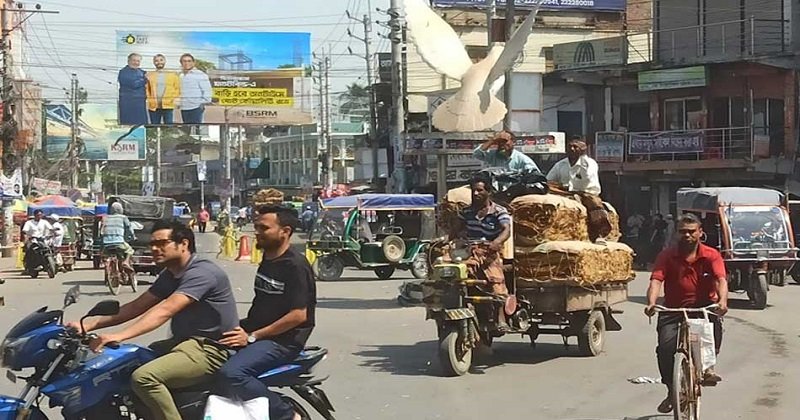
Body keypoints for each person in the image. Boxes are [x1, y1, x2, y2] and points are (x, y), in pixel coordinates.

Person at [74, 221, 238, 420]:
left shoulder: (202, 273)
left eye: (161, 243)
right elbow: (137, 306)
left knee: (144, 378)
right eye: (152, 243)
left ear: (184, 244)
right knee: (123, 362)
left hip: (210, 349)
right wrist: (89, 325)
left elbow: (165, 310)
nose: (153, 248)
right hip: (183, 344)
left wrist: (118, 335)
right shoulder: (170, 274)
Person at [215, 206, 316, 420]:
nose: (257, 232)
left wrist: (252, 336)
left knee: (232, 374)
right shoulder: (269, 259)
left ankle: (287, 414)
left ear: (285, 231)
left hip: (282, 341)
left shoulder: (295, 265)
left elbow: (299, 315)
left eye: (264, 228)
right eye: (256, 227)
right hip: (256, 330)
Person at [644, 213, 728, 414]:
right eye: (683, 232)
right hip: (673, 309)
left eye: (691, 232)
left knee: (713, 330)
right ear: (676, 234)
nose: (687, 236)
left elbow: (720, 279)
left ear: (700, 233)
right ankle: (672, 391)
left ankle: (708, 369)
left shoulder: (711, 255)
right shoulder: (667, 255)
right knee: (664, 349)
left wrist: (722, 301)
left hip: (703, 308)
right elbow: (656, 280)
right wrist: (651, 303)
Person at [458, 173, 512, 332]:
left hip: (489, 252)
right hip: (468, 251)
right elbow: (457, 230)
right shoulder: (466, 211)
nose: (476, 194)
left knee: (496, 281)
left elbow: (506, 230)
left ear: (488, 192)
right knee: (449, 273)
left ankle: (501, 317)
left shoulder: (498, 211)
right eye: (474, 191)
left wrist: (497, 242)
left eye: (480, 190)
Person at [547, 136, 609, 242]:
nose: (572, 149)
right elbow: (549, 179)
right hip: (565, 192)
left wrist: (583, 157)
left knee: (594, 203)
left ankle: (599, 233)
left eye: (575, 147)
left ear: (582, 149)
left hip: (585, 192)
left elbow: (587, 179)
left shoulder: (590, 163)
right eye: (569, 146)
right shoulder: (560, 164)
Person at [473, 130, 540, 172]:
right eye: (499, 141)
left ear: (513, 142)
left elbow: (536, 176)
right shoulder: (493, 155)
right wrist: (493, 140)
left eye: (504, 141)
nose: (502, 144)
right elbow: (477, 154)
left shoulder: (522, 160)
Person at [146, 54, 181, 124]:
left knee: (168, 127)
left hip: (168, 106)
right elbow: (146, 89)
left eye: (161, 60)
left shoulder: (173, 75)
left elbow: (178, 88)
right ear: (154, 63)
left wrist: (174, 99)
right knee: (154, 127)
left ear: (165, 61)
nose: (159, 62)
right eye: (156, 61)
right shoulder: (149, 75)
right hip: (153, 107)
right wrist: (149, 100)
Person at [101, 203, 136, 273]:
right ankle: (126, 262)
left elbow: (101, 231)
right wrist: (133, 237)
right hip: (119, 242)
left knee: (105, 254)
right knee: (130, 250)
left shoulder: (105, 218)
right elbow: (129, 229)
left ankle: (107, 264)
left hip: (106, 244)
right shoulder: (123, 218)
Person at [178, 53, 212, 124]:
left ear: (193, 63)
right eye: (184, 61)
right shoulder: (181, 76)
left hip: (196, 108)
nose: (187, 63)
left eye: (189, 61)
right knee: (186, 131)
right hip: (184, 108)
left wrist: (201, 103)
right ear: (181, 63)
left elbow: (207, 91)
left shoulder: (200, 75)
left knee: (196, 131)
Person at [118, 53, 148, 125]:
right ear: (128, 61)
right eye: (134, 60)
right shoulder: (123, 72)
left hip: (140, 103)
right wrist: (145, 79)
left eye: (138, 61)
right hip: (128, 103)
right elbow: (134, 84)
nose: (136, 63)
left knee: (142, 125)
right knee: (128, 125)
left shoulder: (141, 71)